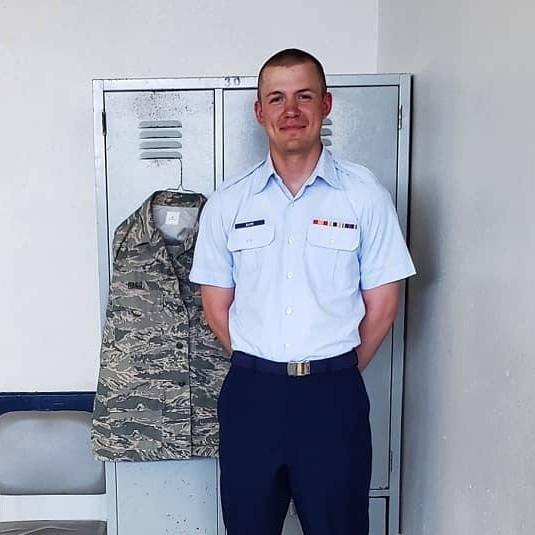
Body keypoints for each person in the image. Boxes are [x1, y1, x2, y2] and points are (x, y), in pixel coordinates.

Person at [189, 48, 415, 535]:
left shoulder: (364, 196)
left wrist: (336, 369)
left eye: (304, 96)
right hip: (252, 397)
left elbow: (383, 305)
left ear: (326, 104)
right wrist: (263, 363)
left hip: (332, 399)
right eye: (277, 98)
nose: (290, 110)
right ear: (260, 111)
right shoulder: (229, 202)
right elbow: (216, 306)